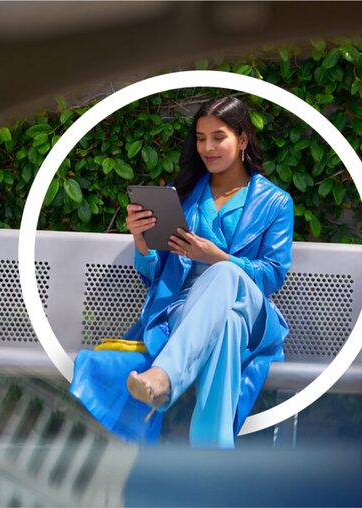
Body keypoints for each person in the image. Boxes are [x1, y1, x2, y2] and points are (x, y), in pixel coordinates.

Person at [68, 95, 295, 448]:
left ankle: (163, 378)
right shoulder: (185, 194)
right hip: (187, 312)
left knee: (225, 276)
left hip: (253, 311)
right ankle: (212, 456)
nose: (207, 147)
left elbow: (273, 273)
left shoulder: (276, 202)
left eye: (218, 137)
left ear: (243, 140)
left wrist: (220, 258)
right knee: (227, 326)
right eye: (201, 138)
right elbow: (157, 270)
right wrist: (143, 244)